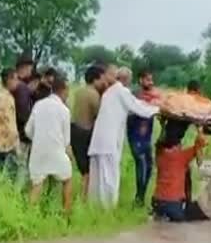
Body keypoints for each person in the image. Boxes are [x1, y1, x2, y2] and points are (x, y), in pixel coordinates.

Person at [88, 67, 160, 208]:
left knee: (98, 179)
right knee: (110, 177)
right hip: (109, 142)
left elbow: (134, 105)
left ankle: (95, 209)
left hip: (99, 141)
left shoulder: (109, 92)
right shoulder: (121, 91)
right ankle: (108, 210)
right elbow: (138, 108)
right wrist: (158, 109)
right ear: (126, 79)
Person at [25, 76, 74, 214]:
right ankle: (66, 214)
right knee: (67, 179)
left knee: (37, 185)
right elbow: (66, 141)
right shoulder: (64, 110)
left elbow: (28, 130)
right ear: (63, 90)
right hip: (57, 152)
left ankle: (29, 217)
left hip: (38, 152)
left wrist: (40, 139)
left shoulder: (38, 105)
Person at [152, 123, 206, 222]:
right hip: (173, 204)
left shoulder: (159, 152)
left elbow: (160, 141)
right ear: (180, 140)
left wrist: (163, 125)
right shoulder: (182, 156)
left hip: (157, 202)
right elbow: (200, 147)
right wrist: (200, 130)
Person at [71, 65, 106, 199]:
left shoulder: (79, 92)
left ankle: (83, 197)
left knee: (83, 169)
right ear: (95, 79)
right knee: (88, 171)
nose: (104, 82)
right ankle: (84, 198)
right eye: (102, 79)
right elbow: (99, 115)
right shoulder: (94, 94)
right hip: (85, 132)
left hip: (74, 130)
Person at [127, 70, 161, 206]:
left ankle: (140, 198)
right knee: (141, 165)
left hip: (146, 138)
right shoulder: (135, 94)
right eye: (147, 80)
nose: (151, 83)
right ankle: (139, 199)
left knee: (149, 167)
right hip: (136, 136)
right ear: (140, 80)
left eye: (151, 80)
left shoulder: (151, 95)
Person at [0, 68, 20, 179]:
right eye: (15, 79)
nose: (17, 82)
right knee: (11, 177)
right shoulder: (8, 98)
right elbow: (10, 123)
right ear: (8, 80)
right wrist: (16, 143)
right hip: (8, 143)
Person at [12, 55, 35, 163]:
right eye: (30, 68)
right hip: (22, 134)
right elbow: (23, 113)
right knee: (21, 167)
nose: (31, 72)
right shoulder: (22, 87)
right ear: (23, 68)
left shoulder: (12, 84)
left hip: (11, 131)